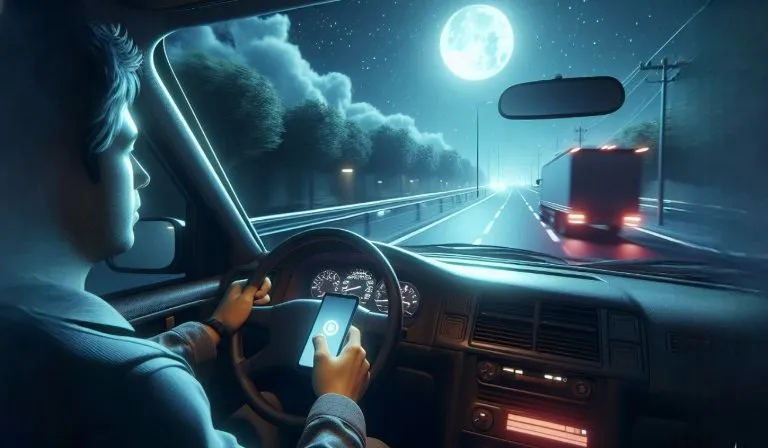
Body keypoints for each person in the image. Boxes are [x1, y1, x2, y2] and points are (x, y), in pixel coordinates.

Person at [0, 1, 384, 447]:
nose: (142, 174)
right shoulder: (142, 387)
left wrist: (215, 328)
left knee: (263, 411)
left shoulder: (44, 337)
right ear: (51, 163)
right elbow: (133, 373)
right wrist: (338, 402)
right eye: (125, 148)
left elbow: (116, 360)